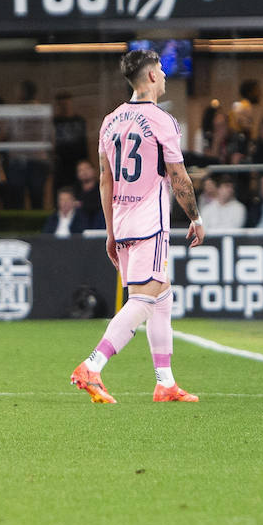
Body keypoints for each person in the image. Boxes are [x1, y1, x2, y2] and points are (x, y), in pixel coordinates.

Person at [71, 47, 205, 405]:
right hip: (151, 223)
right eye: (161, 70)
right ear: (149, 76)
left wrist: (111, 232)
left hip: (124, 221)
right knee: (144, 300)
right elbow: (179, 177)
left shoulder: (110, 120)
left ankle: (165, 383)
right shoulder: (162, 121)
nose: (163, 76)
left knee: (161, 297)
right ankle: (92, 365)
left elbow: (105, 180)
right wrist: (195, 217)